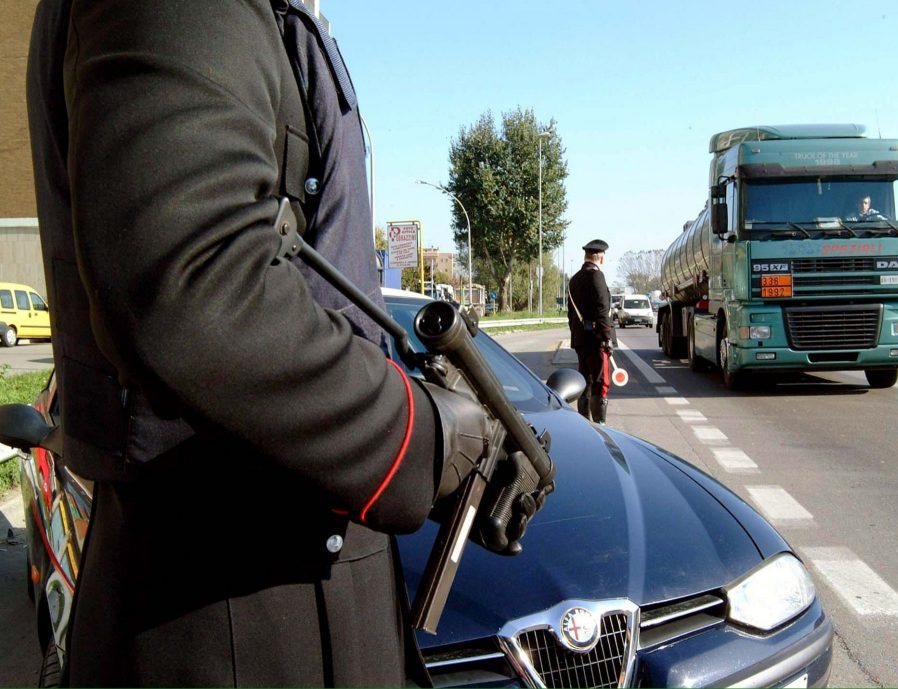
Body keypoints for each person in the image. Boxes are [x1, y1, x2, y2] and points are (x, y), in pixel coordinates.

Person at [26, 1, 544, 685]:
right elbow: (195, 284)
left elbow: (302, 291)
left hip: (284, 596)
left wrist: (450, 449)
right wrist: (430, 441)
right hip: (230, 618)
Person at [567, 239, 616, 424]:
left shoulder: (574, 279)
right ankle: (599, 425)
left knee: (584, 382)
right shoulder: (597, 276)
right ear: (601, 257)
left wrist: (577, 334)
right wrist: (607, 337)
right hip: (597, 340)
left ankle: (583, 423)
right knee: (600, 383)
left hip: (580, 339)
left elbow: (570, 314)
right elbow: (602, 310)